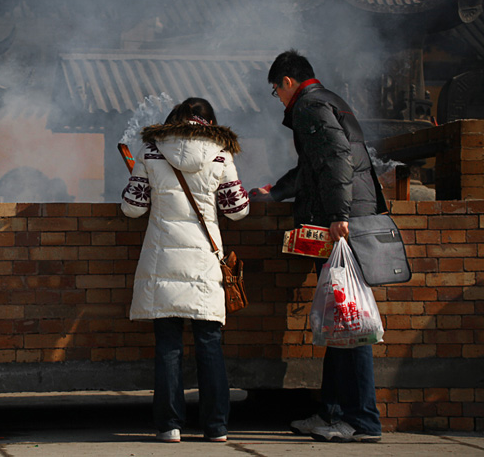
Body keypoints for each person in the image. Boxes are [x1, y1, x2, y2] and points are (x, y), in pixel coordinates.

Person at [250, 50, 387, 443]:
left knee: (350, 323)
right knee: (339, 322)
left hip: (344, 226)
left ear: (288, 82)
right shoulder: (328, 100)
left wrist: (338, 215)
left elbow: (337, 158)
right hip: (348, 218)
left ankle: (362, 421)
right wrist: (276, 192)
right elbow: (314, 167)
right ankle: (331, 411)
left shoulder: (309, 106)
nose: (278, 98)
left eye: (276, 91)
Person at [121, 97, 250, 443]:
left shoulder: (152, 150)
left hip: (163, 262)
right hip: (206, 263)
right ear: (210, 121)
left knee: (168, 346)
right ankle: (217, 427)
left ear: (175, 119)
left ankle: (169, 425)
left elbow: (132, 208)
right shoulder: (222, 153)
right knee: (209, 344)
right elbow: (237, 209)